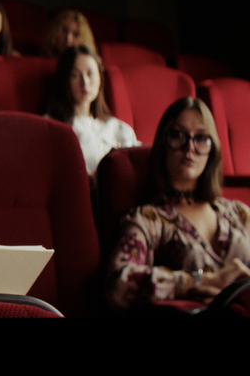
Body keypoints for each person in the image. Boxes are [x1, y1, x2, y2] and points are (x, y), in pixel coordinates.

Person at [106, 97, 250, 310]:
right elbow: (118, 283)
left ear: (212, 149)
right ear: (163, 145)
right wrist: (201, 281)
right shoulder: (149, 218)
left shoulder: (239, 212)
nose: (190, 148)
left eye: (201, 138)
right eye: (178, 135)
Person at [45, 45, 139, 177]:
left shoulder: (118, 127)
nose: (85, 82)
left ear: (100, 77)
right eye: (75, 75)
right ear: (65, 79)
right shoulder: (50, 126)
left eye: (90, 74)